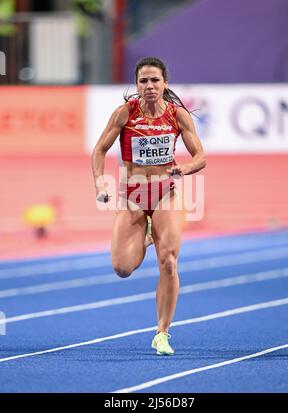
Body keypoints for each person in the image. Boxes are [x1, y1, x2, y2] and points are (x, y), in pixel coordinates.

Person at [92, 56, 206, 355]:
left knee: (169, 261)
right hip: (132, 197)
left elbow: (200, 156)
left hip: (165, 194)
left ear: (164, 83)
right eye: (144, 81)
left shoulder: (178, 115)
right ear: (137, 84)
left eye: (155, 80)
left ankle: (162, 332)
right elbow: (100, 150)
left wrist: (184, 169)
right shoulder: (124, 113)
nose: (150, 86)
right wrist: (100, 181)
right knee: (122, 268)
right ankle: (146, 235)